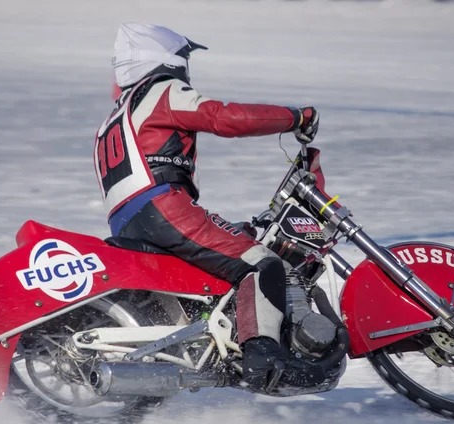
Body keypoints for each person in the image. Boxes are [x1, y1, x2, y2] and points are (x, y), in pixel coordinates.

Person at [94, 22, 320, 391]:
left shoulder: (113, 119)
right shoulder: (161, 91)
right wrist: (296, 117)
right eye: (183, 56)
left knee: (220, 267)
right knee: (262, 263)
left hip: (128, 222)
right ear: (164, 58)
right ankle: (262, 355)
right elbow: (224, 118)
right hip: (164, 206)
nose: (185, 65)